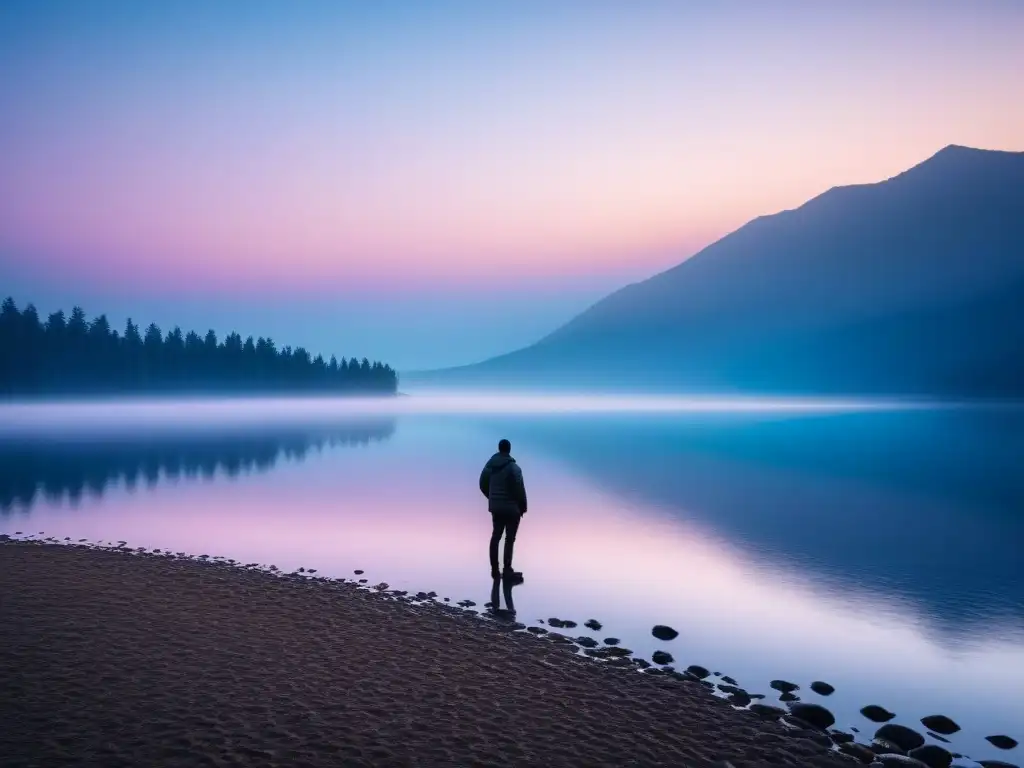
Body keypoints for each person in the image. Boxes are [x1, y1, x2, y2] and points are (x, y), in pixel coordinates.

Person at [479, 438, 527, 580]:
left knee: (496, 537)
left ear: (499, 449)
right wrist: (523, 506)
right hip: (512, 509)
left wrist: (492, 497)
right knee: (509, 539)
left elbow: (482, 484)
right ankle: (507, 570)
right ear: (509, 449)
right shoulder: (514, 468)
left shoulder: (490, 467)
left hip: (496, 508)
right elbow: (519, 489)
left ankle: (494, 571)